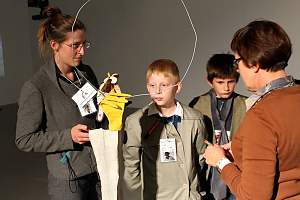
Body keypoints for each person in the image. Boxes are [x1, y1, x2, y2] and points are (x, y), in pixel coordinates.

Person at [204, 20, 300, 199]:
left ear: (254, 64)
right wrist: (244, 147)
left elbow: (253, 197)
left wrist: (221, 162)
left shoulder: (262, 114)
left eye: (237, 61)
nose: (237, 69)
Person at [15, 6, 102, 200]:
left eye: (84, 44)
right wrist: (67, 136)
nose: (81, 51)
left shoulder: (86, 73)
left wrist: (109, 104)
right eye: (75, 45)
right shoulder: (36, 86)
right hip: (68, 181)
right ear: (54, 45)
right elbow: (24, 139)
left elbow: (95, 114)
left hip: (97, 170)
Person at [122, 59, 207, 200]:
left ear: (178, 87)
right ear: (147, 87)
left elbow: (201, 159)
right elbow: (131, 166)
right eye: (152, 85)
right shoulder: (136, 121)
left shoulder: (195, 119)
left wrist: (196, 192)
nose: (158, 91)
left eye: (164, 85)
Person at [189, 53, 247, 200]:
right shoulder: (197, 104)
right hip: (206, 173)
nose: (226, 87)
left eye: (231, 82)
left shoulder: (246, 104)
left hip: (236, 171)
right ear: (210, 81)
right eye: (220, 82)